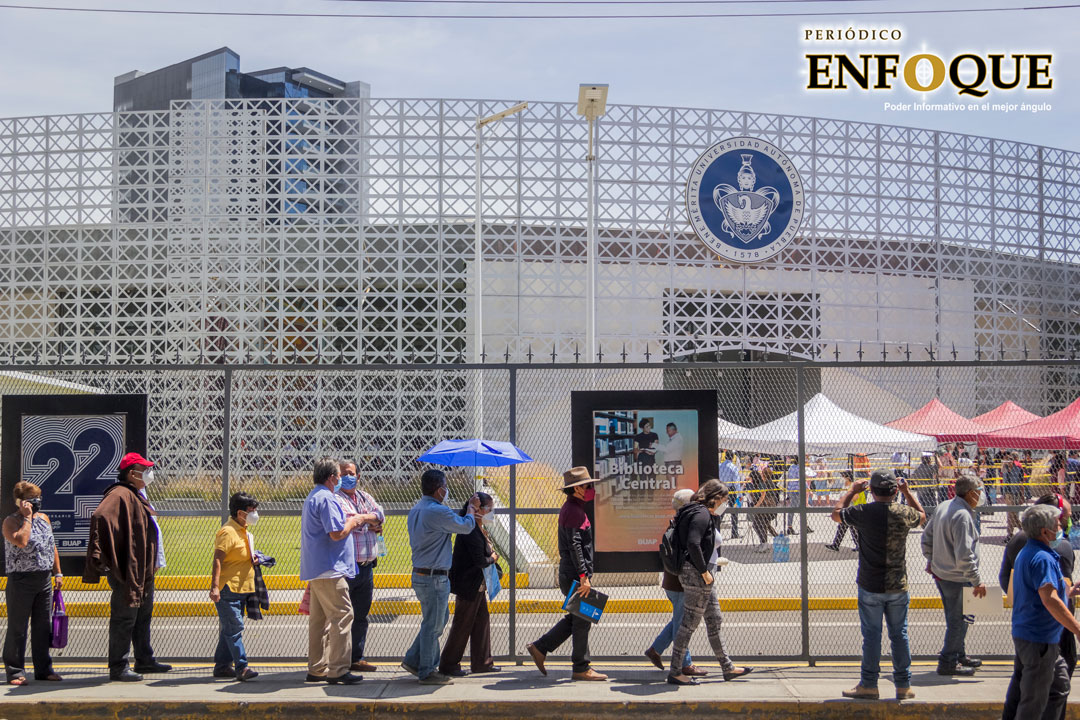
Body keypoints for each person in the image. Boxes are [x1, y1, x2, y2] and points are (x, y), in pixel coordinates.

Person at [831, 470, 925, 700]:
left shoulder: (863, 512)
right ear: (894, 491)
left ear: (871, 491)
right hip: (897, 583)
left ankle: (869, 684)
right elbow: (922, 516)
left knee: (872, 636)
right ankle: (903, 684)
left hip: (870, 583)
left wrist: (852, 491)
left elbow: (836, 514)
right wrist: (907, 492)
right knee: (899, 634)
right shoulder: (903, 513)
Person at [84, 452, 171, 682]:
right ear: (132, 474)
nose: (149, 473)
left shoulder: (136, 493)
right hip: (129, 571)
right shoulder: (120, 493)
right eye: (145, 470)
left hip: (144, 570)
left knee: (142, 616)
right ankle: (118, 666)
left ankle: (144, 659)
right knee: (125, 618)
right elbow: (101, 516)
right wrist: (109, 555)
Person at [666, 480, 751, 686]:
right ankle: (676, 671)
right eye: (724, 499)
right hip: (697, 575)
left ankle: (727, 667)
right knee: (689, 624)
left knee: (714, 619)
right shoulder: (702, 514)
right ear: (715, 498)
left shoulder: (695, 511)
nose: (725, 503)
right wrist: (704, 571)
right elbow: (693, 543)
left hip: (700, 574)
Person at [1000, 494, 1076, 720]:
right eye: (1058, 524)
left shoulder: (1030, 551)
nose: (1061, 528)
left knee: (1059, 684)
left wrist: (1068, 591)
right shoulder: (1042, 557)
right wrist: (1077, 629)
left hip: (1037, 637)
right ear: (1045, 531)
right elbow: (1049, 599)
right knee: (1033, 701)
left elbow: (1040, 590)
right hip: (1039, 640)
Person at [527, 467, 607, 681]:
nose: (591, 489)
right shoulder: (573, 510)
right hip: (574, 574)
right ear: (577, 489)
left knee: (578, 617)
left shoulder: (575, 508)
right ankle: (581, 668)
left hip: (572, 573)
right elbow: (575, 545)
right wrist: (583, 576)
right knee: (582, 620)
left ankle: (540, 647)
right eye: (587, 485)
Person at [403, 469, 479, 685]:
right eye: (445, 486)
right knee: (433, 625)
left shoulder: (417, 509)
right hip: (434, 577)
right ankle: (427, 670)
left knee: (435, 620)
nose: (447, 490)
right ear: (439, 490)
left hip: (421, 573)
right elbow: (465, 526)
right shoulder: (437, 511)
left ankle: (413, 659)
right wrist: (472, 508)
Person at [300, 456, 365, 685]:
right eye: (339, 475)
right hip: (330, 569)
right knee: (343, 615)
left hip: (316, 568)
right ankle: (338, 669)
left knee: (319, 621)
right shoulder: (327, 499)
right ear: (331, 478)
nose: (341, 479)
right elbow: (336, 532)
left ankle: (317, 667)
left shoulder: (313, 496)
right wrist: (354, 522)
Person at [921, 474, 986, 676]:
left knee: (962, 618)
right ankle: (948, 662)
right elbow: (964, 554)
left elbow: (926, 538)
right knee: (957, 621)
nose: (981, 495)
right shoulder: (962, 516)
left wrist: (933, 560)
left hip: (944, 574)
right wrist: (976, 580)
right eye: (979, 491)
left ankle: (959, 654)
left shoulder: (945, 506)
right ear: (970, 493)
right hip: (958, 578)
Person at [2, 481, 62, 685]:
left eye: (38, 499)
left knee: (42, 626)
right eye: (32, 500)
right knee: (18, 627)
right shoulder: (11, 522)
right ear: (21, 502)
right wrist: (27, 518)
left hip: (43, 578)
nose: (37, 504)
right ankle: (15, 670)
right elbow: (21, 541)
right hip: (21, 579)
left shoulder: (44, 519)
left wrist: (58, 573)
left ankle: (43, 669)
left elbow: (51, 545)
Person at [439, 492, 500, 677]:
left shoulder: (478, 527)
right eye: (489, 509)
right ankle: (449, 664)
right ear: (479, 509)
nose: (491, 512)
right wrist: (493, 557)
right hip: (469, 583)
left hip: (478, 584)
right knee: (462, 624)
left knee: (481, 621)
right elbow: (480, 560)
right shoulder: (470, 529)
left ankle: (482, 662)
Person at [334, 459, 385, 673]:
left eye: (351, 473)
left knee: (361, 615)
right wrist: (369, 521)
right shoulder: (336, 498)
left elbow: (380, 514)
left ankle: (357, 657)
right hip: (347, 568)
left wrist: (364, 519)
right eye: (344, 473)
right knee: (342, 617)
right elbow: (346, 521)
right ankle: (339, 660)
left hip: (366, 566)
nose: (348, 476)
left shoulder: (365, 497)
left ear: (358, 476)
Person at [645, 488, 701, 676]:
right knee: (682, 624)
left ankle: (655, 650)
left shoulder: (674, 524)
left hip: (671, 581)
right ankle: (685, 664)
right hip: (680, 582)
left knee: (678, 619)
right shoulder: (685, 526)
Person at [210, 492, 261, 681]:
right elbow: (217, 560)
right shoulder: (227, 532)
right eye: (251, 510)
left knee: (229, 629)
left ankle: (222, 667)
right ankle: (242, 667)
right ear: (240, 513)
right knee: (235, 628)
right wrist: (215, 586)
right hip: (228, 589)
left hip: (242, 589)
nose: (255, 513)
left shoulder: (243, 530)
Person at [748, 465, 780, 553]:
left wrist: (756, 505)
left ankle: (764, 542)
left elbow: (763, 495)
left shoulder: (764, 483)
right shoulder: (768, 483)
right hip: (769, 507)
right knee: (764, 525)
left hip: (766, 507)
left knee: (757, 524)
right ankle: (765, 542)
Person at [826, 471, 861, 552]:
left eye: (843, 476)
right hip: (843, 510)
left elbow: (855, 497)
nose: (842, 478)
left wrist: (845, 499)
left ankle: (858, 545)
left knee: (852, 528)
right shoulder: (844, 485)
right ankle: (836, 544)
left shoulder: (852, 486)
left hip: (850, 509)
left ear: (848, 477)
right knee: (842, 527)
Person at [717, 450, 742, 539]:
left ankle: (716, 529)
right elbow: (736, 482)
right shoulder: (733, 467)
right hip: (731, 490)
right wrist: (739, 494)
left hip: (721, 489)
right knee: (734, 511)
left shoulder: (719, 466)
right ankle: (734, 532)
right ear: (732, 457)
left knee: (720, 510)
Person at [1005, 452, 1028, 542]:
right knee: (1010, 514)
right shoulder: (1005, 469)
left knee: (1013, 513)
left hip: (1016, 492)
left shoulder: (1018, 468)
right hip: (1008, 493)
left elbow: (1021, 482)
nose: (1007, 462)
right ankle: (1012, 533)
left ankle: (1020, 530)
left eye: (1009, 460)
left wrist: (1022, 495)